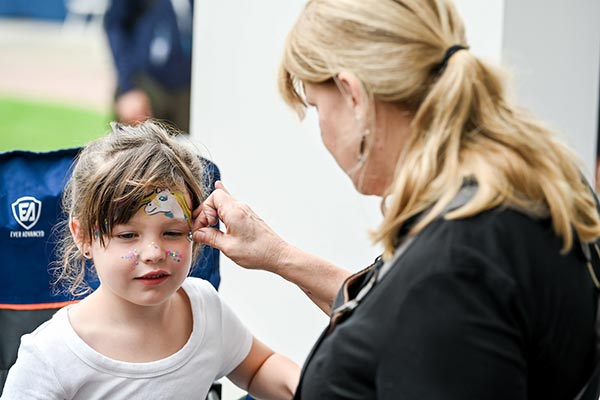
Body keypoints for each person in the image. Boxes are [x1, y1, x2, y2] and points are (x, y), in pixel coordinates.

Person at [192, 0, 600, 398]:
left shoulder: (454, 264)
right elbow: (398, 314)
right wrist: (278, 255)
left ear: (353, 96)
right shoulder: (516, 195)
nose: (322, 132)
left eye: (317, 107)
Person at [1, 121, 299, 399]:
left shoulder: (205, 310)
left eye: (172, 232)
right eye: (128, 236)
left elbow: (260, 367)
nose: (154, 252)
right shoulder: (51, 356)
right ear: (83, 238)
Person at [104, 0, 193, 132]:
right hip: (147, 85)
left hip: (189, 89)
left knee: (189, 150)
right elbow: (115, 23)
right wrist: (128, 87)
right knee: (135, 149)